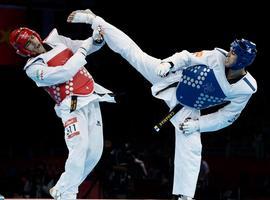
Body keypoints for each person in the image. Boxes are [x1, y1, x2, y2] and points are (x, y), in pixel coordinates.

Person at [67, 9, 257, 200]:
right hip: (173, 77)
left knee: (191, 140)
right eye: (231, 49)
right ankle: (94, 19)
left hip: (188, 105)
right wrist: (168, 64)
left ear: (242, 61)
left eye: (233, 53)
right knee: (132, 53)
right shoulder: (216, 56)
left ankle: (184, 196)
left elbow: (227, 116)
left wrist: (198, 124)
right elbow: (186, 57)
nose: (229, 52)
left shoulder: (245, 89)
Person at [9, 25, 115, 200]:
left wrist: (96, 39)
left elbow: (86, 46)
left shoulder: (57, 41)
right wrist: (82, 50)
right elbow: (63, 73)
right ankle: (67, 194)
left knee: (95, 152)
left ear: (36, 35)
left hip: (91, 97)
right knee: (79, 146)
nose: (32, 44)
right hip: (70, 106)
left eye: (32, 38)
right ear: (23, 51)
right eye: (27, 44)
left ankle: (61, 188)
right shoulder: (33, 68)